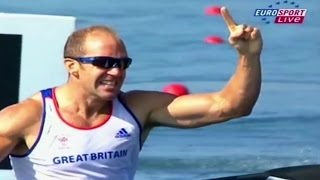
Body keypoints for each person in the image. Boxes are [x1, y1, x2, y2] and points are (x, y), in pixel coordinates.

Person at [0, 7, 262, 180]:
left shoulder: (138, 107)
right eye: (104, 62)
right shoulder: (27, 117)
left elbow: (230, 106)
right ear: (72, 66)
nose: (116, 72)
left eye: (122, 64)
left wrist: (248, 56)